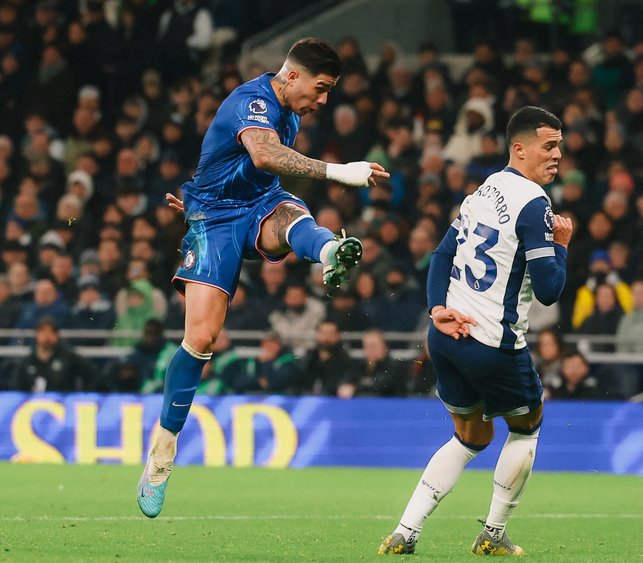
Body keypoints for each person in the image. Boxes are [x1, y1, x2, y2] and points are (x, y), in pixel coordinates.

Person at [137, 38, 390, 518]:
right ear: (291, 76)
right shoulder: (251, 102)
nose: (323, 101)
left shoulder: (291, 112)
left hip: (257, 207)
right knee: (202, 339)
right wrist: (342, 172)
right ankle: (161, 456)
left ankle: (330, 249)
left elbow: (239, 167)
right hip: (214, 222)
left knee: (289, 214)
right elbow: (263, 155)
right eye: (320, 89)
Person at [379, 106, 571, 556]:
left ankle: (405, 532)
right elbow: (549, 291)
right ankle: (494, 533)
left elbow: (441, 256)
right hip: (491, 343)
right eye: (549, 146)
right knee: (527, 427)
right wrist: (561, 247)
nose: (558, 154)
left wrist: (436, 309)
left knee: (471, 436)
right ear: (519, 149)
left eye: (560, 145)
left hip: (446, 337)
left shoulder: (484, 190)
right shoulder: (534, 205)